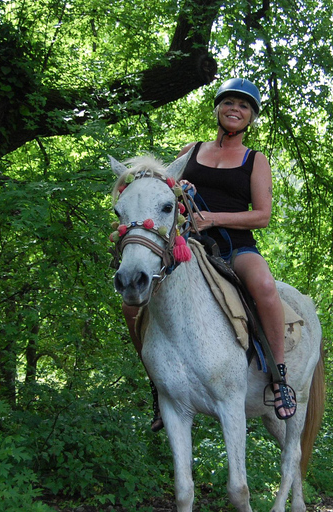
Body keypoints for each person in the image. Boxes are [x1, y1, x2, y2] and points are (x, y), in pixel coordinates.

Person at [123, 77, 296, 431]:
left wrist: (213, 218)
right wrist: (179, 188)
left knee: (263, 285)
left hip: (236, 246)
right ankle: (157, 384)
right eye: (229, 103)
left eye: (244, 106)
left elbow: (262, 215)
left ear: (252, 117)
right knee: (131, 303)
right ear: (217, 108)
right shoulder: (191, 151)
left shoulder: (255, 159)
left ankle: (279, 377)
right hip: (188, 245)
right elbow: (164, 190)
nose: (235, 109)